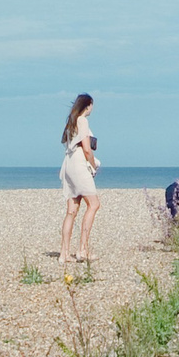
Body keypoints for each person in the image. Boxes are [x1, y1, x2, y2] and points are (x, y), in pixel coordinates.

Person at [57, 93, 100, 266]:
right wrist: (94, 165)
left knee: (71, 210)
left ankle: (64, 253)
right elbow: (87, 149)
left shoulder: (71, 122)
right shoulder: (82, 121)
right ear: (88, 105)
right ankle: (83, 249)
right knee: (94, 204)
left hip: (68, 164)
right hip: (79, 164)